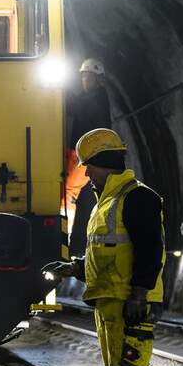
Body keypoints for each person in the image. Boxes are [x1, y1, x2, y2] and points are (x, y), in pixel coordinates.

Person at [43, 128, 166, 366]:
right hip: (111, 300)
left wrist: (140, 292)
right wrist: (74, 267)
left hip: (130, 301)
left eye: (89, 167)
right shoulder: (106, 202)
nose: (86, 174)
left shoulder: (136, 197)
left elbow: (150, 250)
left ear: (105, 164)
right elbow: (107, 255)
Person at [65, 58, 112, 257]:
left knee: (69, 191)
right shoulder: (93, 97)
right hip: (80, 153)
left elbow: (76, 106)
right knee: (69, 191)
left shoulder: (97, 98)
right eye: (83, 76)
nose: (85, 79)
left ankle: (62, 236)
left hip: (85, 155)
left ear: (98, 80)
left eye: (89, 76)